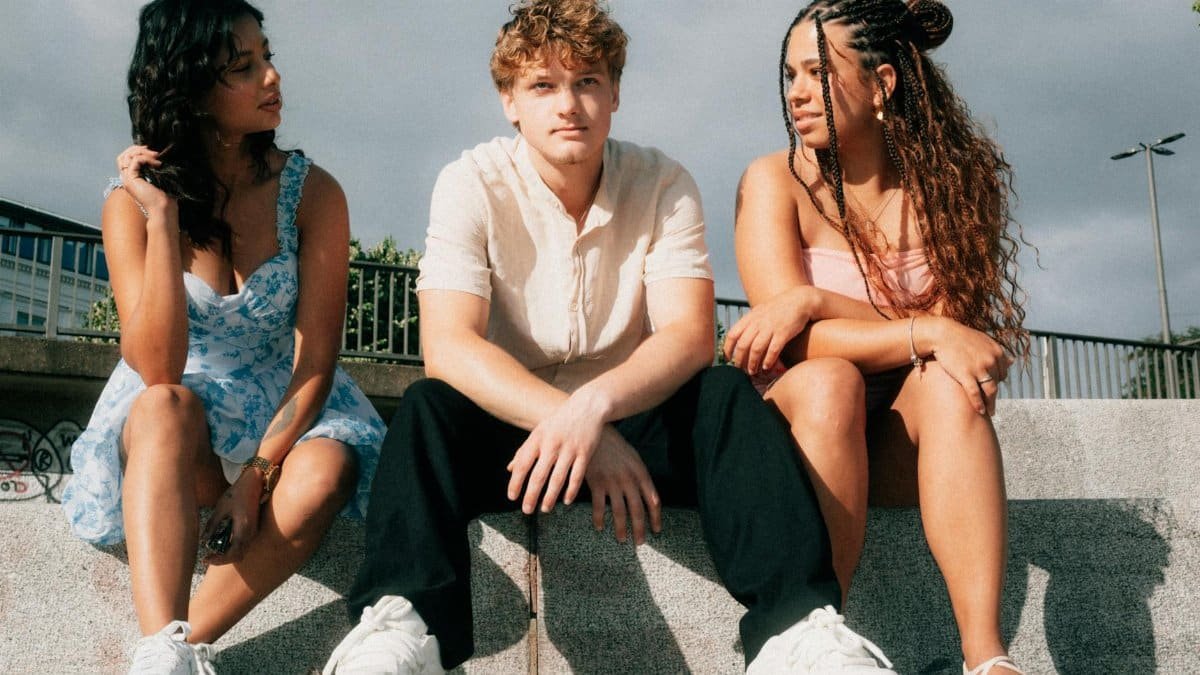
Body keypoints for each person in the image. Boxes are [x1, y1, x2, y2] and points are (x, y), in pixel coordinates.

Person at [321, 1, 895, 674]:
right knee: (425, 410)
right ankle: (402, 625)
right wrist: (573, 425)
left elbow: (686, 337)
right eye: (543, 85)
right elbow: (450, 346)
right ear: (509, 100)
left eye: (588, 81)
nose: (569, 104)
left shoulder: (663, 183)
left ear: (615, 92)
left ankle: (797, 627)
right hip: (512, 434)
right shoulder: (469, 182)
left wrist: (596, 411)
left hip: (630, 421)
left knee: (722, 393)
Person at [61, 1, 385, 672]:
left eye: (267, 57)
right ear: (191, 89)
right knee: (164, 405)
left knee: (327, 471)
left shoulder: (312, 192)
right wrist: (163, 218)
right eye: (244, 67)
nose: (271, 78)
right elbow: (158, 365)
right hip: (183, 421)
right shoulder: (131, 206)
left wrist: (257, 478)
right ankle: (167, 653)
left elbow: (318, 355)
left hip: (284, 404)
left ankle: (169, 654)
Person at [724, 1, 1027, 674]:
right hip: (801, 435)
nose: (796, 92)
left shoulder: (954, 183)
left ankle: (988, 657)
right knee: (831, 380)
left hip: (905, 444)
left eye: (816, 73)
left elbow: (963, 346)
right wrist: (914, 327)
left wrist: (818, 302)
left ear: (883, 83)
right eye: (789, 75)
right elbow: (790, 343)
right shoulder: (773, 181)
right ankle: (818, 641)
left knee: (948, 379)